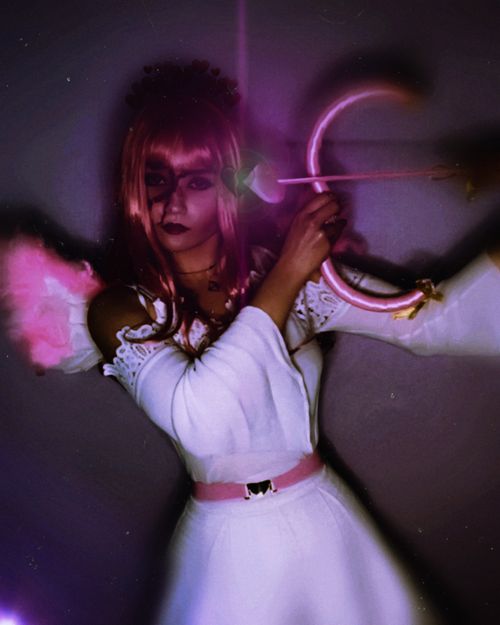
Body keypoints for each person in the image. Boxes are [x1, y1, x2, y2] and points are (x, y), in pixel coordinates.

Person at [85, 62, 500, 625]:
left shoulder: (297, 280)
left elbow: (431, 324)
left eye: (197, 180)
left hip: (324, 526)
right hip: (228, 552)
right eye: (157, 178)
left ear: (231, 187)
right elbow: (203, 420)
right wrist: (287, 273)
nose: (172, 202)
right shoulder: (122, 309)